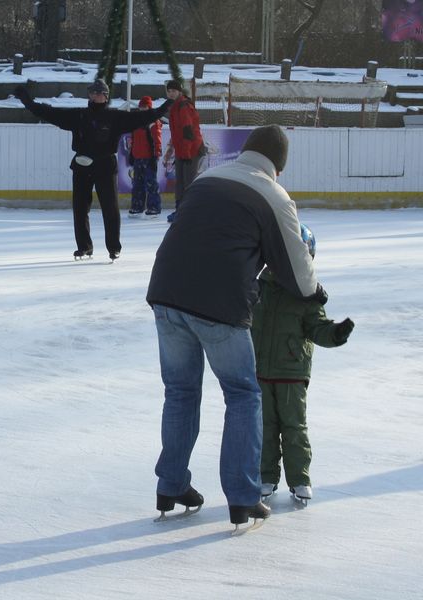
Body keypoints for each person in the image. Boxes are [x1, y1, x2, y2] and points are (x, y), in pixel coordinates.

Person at [146, 124, 329, 528]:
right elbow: (298, 274)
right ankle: (244, 496)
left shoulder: (208, 176)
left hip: (165, 291)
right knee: (244, 394)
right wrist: (317, 293)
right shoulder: (274, 195)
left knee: (179, 392)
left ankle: (171, 484)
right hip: (219, 304)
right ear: (279, 164)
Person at [251, 224, 355, 504]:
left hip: (291, 372)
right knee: (265, 427)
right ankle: (266, 477)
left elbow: (317, 328)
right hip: (259, 370)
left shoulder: (307, 295)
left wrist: (335, 333)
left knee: (294, 427)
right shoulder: (257, 287)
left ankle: (299, 479)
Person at [14, 79, 171, 260]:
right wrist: (28, 102)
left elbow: (142, 117)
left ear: (106, 97)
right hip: (82, 165)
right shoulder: (79, 115)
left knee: (110, 208)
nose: (96, 96)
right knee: (80, 208)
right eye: (93, 93)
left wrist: (163, 108)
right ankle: (84, 246)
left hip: (105, 165)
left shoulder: (115, 117)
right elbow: (50, 113)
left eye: (99, 93)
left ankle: (114, 247)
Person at [162, 80, 203, 223]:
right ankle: (180, 210)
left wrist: (185, 153)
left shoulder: (184, 106)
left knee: (188, 183)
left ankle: (191, 212)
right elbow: (176, 133)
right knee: (179, 181)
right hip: (182, 150)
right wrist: (170, 150)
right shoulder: (175, 106)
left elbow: (188, 131)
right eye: (169, 91)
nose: (171, 93)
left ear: (179, 91)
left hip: (192, 150)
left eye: (173, 90)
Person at [127, 96, 163, 218]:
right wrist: (131, 154)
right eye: (141, 107)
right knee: (137, 183)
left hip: (149, 158)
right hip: (138, 158)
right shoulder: (136, 122)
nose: (143, 109)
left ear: (149, 107)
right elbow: (133, 139)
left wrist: (155, 156)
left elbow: (157, 140)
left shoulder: (153, 122)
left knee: (151, 184)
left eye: (145, 107)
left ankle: (154, 208)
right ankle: (137, 206)